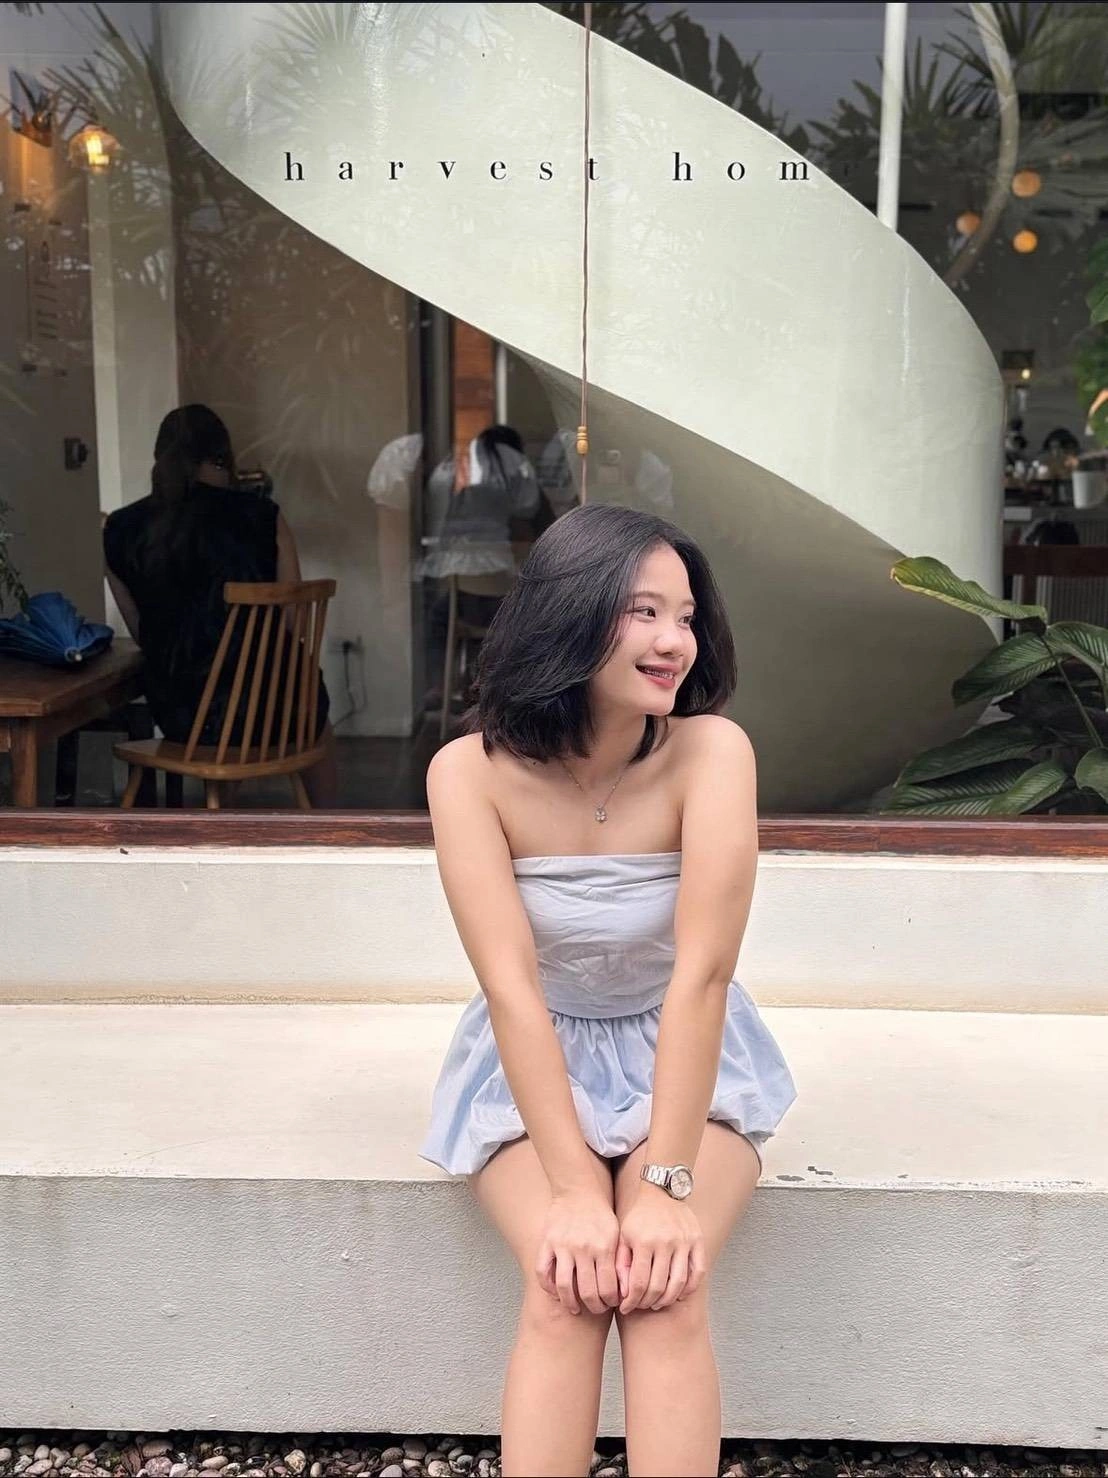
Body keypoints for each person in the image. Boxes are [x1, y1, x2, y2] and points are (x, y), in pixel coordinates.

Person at [419, 503, 798, 1477]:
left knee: (664, 1285)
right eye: (644, 612)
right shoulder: (467, 774)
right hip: (532, 1059)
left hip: (687, 1054)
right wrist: (573, 1187)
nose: (675, 640)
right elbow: (509, 986)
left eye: (686, 616)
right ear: (571, 613)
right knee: (568, 1282)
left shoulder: (714, 753)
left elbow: (703, 976)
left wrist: (664, 1184)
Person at [103, 404, 337, 806]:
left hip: (182, 716)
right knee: (303, 708)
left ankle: (224, 810)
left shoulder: (120, 528)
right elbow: (295, 624)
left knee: (229, 704)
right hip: (275, 711)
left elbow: (143, 634)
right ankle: (332, 822)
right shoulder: (263, 516)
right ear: (222, 458)